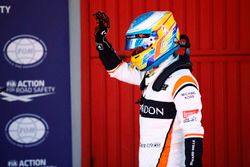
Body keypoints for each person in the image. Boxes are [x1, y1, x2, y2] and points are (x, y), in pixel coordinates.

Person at [93, 11, 204, 167]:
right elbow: (117, 69)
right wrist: (100, 42)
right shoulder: (151, 73)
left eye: (140, 47)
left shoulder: (182, 81)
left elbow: (193, 132)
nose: (135, 52)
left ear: (160, 41)